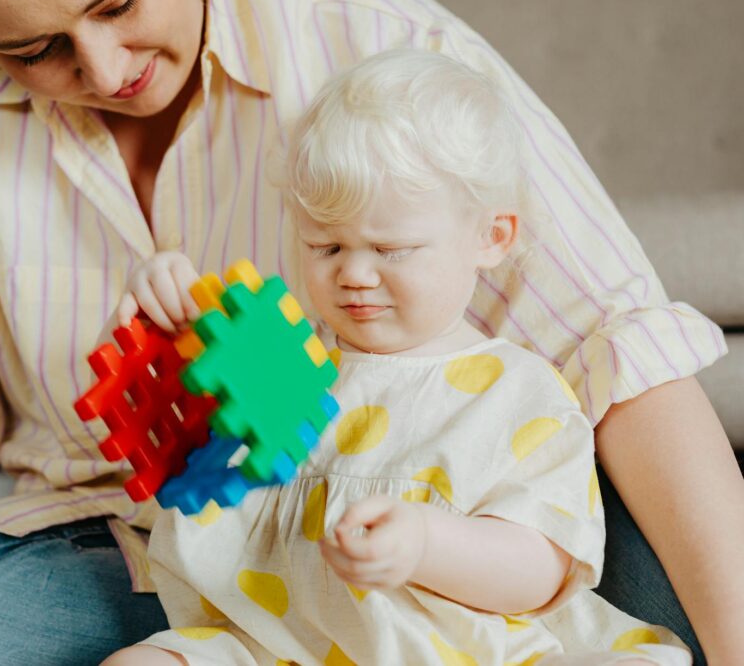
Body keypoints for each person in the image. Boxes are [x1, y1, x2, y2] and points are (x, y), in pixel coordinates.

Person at [0, 0, 740, 665]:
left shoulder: (377, 40)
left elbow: (617, 345)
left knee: (645, 578)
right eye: (33, 51)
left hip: (458, 527)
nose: (109, 67)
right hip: (198, 550)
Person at [104, 46, 693, 666]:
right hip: (270, 646)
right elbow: (192, 467)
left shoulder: (518, 393)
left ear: (491, 238)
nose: (354, 273)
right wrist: (170, 304)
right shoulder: (284, 365)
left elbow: (542, 572)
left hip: (456, 652)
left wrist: (426, 546)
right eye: (325, 246)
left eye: (392, 249)